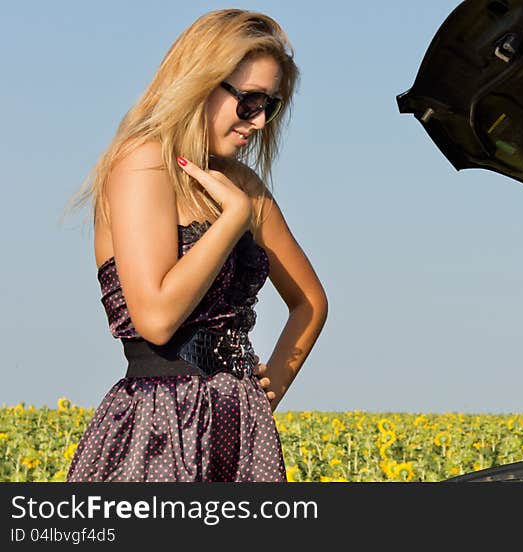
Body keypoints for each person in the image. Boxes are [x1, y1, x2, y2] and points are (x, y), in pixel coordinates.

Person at [62, 9, 328, 482]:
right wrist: (232, 222)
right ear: (200, 84)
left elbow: (310, 302)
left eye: (271, 105)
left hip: (241, 429)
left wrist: (265, 393)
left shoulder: (244, 184)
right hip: (159, 424)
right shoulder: (143, 164)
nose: (260, 121)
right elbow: (158, 320)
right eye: (248, 101)